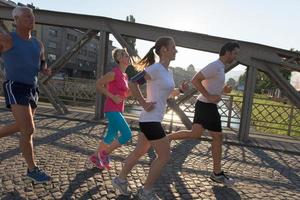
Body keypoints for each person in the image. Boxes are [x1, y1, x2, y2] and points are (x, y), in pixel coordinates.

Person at [112, 36, 187, 199]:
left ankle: (120, 179)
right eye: (173, 47)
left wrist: (179, 90)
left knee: (139, 151)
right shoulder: (156, 68)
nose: (176, 50)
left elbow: (168, 94)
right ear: (163, 50)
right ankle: (146, 191)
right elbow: (133, 83)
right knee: (165, 155)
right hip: (150, 120)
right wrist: (144, 103)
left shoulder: (168, 72)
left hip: (151, 119)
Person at [167, 41, 240, 186]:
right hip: (207, 106)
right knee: (218, 137)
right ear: (227, 52)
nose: (236, 57)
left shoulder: (220, 68)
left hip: (204, 105)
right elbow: (195, 79)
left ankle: (166, 138)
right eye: (235, 53)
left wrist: (224, 89)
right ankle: (217, 173)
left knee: (195, 133)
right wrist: (209, 96)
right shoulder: (215, 65)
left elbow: (211, 84)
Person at [0, 6, 51, 183]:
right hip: (15, 86)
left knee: (23, 128)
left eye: (32, 15)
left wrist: (44, 69)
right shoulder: (7, 39)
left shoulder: (38, 43)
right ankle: (32, 169)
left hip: (32, 89)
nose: (31, 18)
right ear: (16, 20)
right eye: (27, 16)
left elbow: (42, 61)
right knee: (28, 128)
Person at [89, 48, 132, 170]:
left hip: (119, 109)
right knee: (127, 134)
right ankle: (104, 154)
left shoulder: (125, 75)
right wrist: (112, 96)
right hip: (111, 108)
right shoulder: (114, 73)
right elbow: (98, 84)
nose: (128, 57)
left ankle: (95, 157)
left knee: (111, 135)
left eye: (128, 55)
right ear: (119, 58)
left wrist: (134, 90)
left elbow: (125, 94)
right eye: (125, 55)